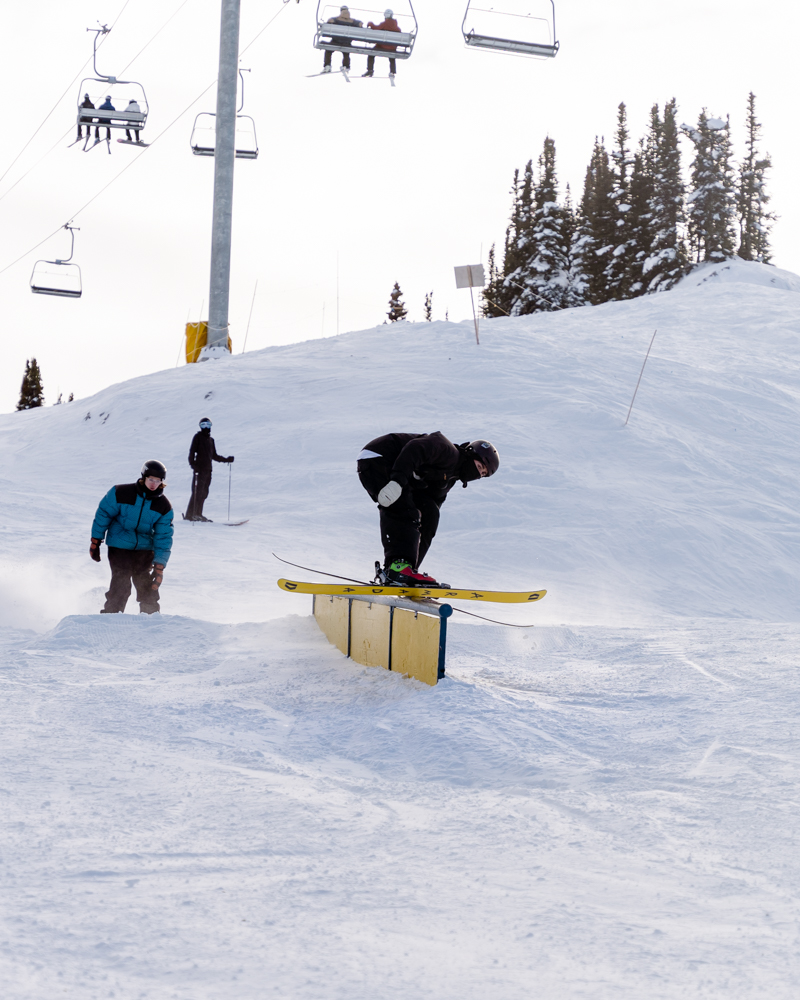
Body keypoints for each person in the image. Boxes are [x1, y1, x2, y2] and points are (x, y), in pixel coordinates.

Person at [357, 433, 500, 585]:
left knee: (430, 514)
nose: (477, 474)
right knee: (404, 509)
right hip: (379, 457)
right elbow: (414, 448)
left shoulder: (448, 480)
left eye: (482, 474)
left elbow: (430, 510)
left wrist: (412, 575)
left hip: (394, 468)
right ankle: (398, 569)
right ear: (469, 455)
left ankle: (405, 571)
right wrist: (397, 481)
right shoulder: (447, 450)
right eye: (479, 467)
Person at [90, 460, 174, 614]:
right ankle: (110, 615)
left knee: (146, 585)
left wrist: (159, 566)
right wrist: (96, 541)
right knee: (121, 583)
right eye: (151, 479)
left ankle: (151, 618)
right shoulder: (121, 493)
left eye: (158, 481)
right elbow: (104, 514)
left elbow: (164, 537)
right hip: (119, 546)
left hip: (144, 550)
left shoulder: (163, 506)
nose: (154, 484)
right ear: (144, 477)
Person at [184, 418, 234, 522]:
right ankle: (190, 515)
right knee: (197, 492)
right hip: (199, 470)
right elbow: (191, 453)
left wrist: (226, 460)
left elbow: (214, 456)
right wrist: (193, 465)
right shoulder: (197, 437)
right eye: (203, 425)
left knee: (204, 493)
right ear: (200, 426)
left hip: (208, 471)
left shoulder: (211, 440)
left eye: (208, 425)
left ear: (211, 426)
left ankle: (198, 514)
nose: (206, 427)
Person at [322, 5, 363, 74]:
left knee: (328, 51)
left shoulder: (337, 19)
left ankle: (327, 65)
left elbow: (330, 21)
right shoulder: (352, 21)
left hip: (336, 40)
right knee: (346, 53)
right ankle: (346, 66)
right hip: (346, 42)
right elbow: (360, 24)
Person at [363, 8, 401, 78]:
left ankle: (370, 70)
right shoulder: (397, 28)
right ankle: (392, 72)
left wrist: (370, 23)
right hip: (392, 48)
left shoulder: (384, 24)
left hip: (382, 46)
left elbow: (375, 28)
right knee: (392, 57)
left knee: (371, 54)